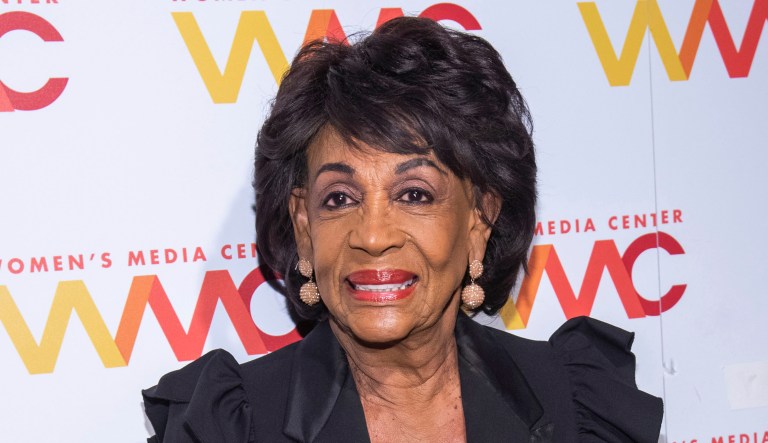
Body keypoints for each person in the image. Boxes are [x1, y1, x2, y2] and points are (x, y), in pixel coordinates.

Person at [143, 17, 663, 443]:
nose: (373, 235)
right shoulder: (232, 426)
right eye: (340, 199)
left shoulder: (575, 403)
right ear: (304, 226)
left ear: (479, 219)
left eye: (414, 194)